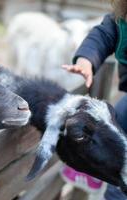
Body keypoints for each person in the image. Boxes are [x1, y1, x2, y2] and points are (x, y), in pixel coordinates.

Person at [62, 1, 127, 199]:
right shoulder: (120, 18)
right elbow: (101, 36)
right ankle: (94, 170)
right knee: (111, 122)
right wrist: (86, 60)